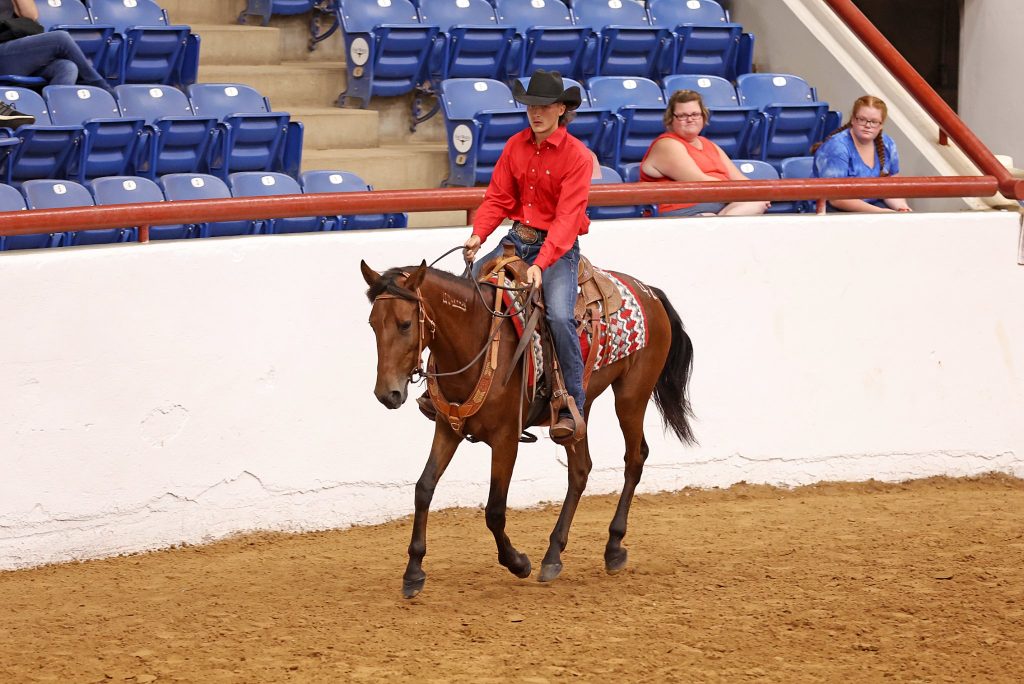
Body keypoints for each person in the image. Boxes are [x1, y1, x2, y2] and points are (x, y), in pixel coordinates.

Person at [463, 69, 591, 443]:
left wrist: (541, 263)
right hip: (516, 239)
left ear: (562, 109)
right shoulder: (515, 146)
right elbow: (499, 198)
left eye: (545, 106)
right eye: (531, 106)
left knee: (561, 315)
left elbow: (567, 220)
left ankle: (572, 403)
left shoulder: (577, 157)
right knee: (466, 295)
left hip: (558, 248)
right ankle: (472, 392)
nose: (536, 113)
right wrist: (477, 234)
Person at [639, 89, 769, 217]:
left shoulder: (709, 144)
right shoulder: (667, 144)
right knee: (710, 216)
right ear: (671, 119)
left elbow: (739, 179)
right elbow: (701, 184)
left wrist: (757, 192)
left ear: (703, 116)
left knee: (756, 202)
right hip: (681, 210)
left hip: (720, 204)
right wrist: (747, 193)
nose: (690, 119)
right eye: (682, 116)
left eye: (695, 114)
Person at [812, 95, 912, 213]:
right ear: (853, 120)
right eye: (862, 119)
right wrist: (881, 212)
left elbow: (891, 185)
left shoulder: (887, 144)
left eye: (874, 122)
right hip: (830, 208)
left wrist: (901, 208)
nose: (867, 125)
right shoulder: (837, 147)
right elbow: (836, 198)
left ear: (881, 125)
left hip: (872, 205)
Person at [0, 0, 112, 91]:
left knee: (67, 67)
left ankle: (56, 112)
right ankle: (100, 86)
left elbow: (31, 16)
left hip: (18, 52)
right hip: (3, 56)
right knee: (60, 38)